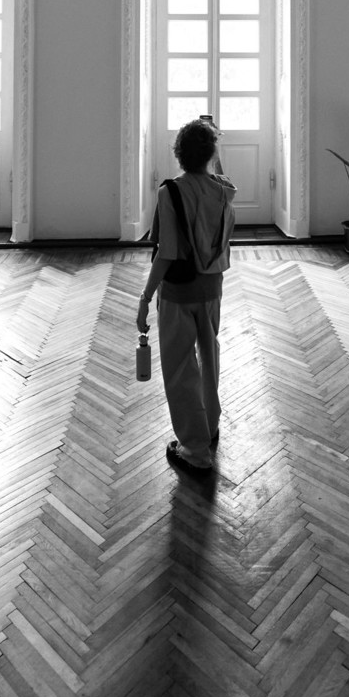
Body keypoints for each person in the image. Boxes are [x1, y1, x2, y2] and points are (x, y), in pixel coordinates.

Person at [137, 117, 236, 474]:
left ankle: (194, 450)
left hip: (179, 292)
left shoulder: (171, 192)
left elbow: (166, 253)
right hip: (212, 289)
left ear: (178, 153)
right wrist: (213, 151)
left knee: (180, 370)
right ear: (211, 154)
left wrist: (145, 298)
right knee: (209, 359)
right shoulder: (223, 190)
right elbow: (218, 173)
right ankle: (209, 427)